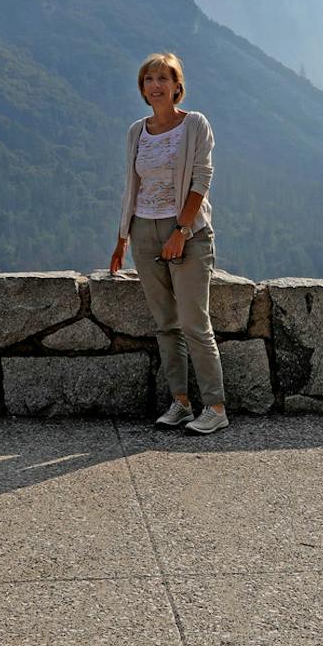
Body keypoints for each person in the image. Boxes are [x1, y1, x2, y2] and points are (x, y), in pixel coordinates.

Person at [107, 52, 228, 434]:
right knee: (165, 325)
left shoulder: (195, 125)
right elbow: (133, 186)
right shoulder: (136, 131)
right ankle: (180, 403)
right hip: (144, 231)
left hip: (187, 235)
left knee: (195, 323)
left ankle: (216, 407)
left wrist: (181, 231)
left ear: (178, 87)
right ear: (142, 89)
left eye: (163, 78)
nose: (155, 86)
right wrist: (122, 237)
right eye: (149, 79)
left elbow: (201, 179)